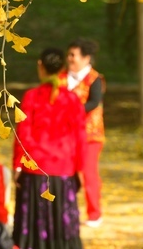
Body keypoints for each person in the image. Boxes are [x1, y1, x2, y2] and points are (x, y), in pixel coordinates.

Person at [13, 47, 86, 249]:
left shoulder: (31, 97)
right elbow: (80, 137)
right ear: (62, 68)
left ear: (40, 66)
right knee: (63, 225)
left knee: (34, 226)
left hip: (35, 169)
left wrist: (17, 165)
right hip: (63, 169)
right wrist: (81, 168)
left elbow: (23, 134)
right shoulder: (72, 99)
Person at [61, 38, 105, 228]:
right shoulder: (61, 78)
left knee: (89, 174)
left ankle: (94, 214)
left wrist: (72, 110)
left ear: (86, 58)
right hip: (64, 134)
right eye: (69, 55)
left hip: (90, 135)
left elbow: (94, 102)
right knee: (64, 174)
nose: (70, 58)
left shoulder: (95, 79)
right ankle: (65, 212)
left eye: (74, 55)